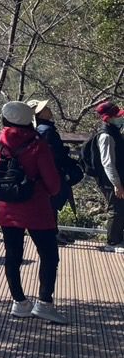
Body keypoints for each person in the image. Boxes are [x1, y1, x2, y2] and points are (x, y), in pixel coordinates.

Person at [0, 101, 66, 322]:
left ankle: (19, 302)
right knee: (48, 255)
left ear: (5, 120)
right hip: (37, 208)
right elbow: (53, 184)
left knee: (13, 255)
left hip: (8, 209)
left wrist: (7, 188)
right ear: (30, 120)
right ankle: (44, 303)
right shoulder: (38, 145)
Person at [27, 99, 81, 244]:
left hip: (45, 173)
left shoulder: (39, 130)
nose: (49, 109)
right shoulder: (47, 131)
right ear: (39, 114)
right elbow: (53, 155)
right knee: (52, 202)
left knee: (49, 203)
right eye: (45, 108)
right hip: (53, 172)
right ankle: (52, 234)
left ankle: (52, 233)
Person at [89, 101, 124, 251]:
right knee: (115, 209)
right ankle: (112, 243)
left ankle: (117, 239)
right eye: (117, 116)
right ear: (108, 118)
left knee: (120, 208)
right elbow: (108, 163)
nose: (120, 118)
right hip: (109, 179)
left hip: (115, 177)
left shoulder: (113, 131)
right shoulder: (106, 136)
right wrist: (117, 184)